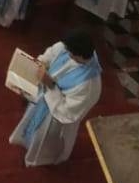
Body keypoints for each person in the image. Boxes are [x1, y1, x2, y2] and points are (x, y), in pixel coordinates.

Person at [9, 29, 102, 166]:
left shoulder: (89, 85)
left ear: (81, 55)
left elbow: (67, 112)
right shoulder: (68, 47)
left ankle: (41, 159)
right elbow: (50, 54)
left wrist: (50, 85)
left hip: (54, 118)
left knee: (43, 140)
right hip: (41, 98)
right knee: (30, 125)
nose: (67, 54)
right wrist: (40, 64)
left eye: (71, 54)